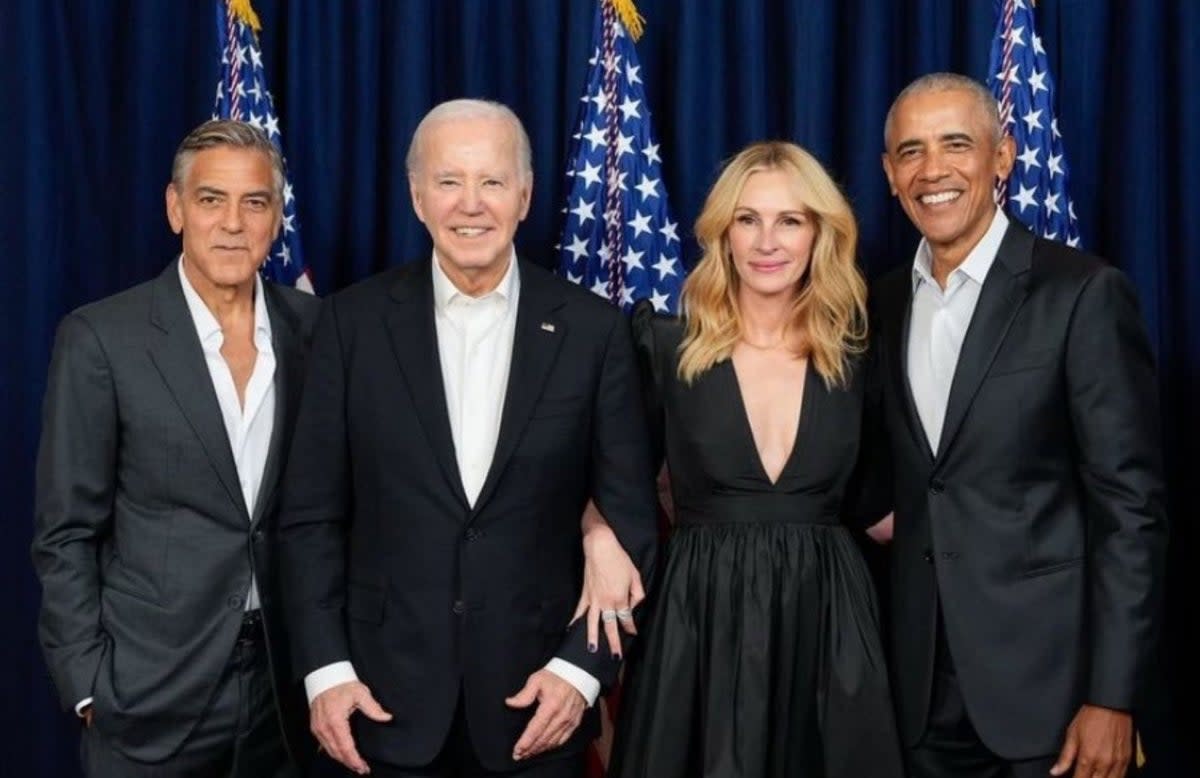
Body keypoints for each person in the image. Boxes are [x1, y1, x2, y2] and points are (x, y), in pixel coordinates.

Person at [275, 99, 659, 778]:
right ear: (418, 197)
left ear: (525, 194)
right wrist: (325, 672)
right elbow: (310, 517)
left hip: (537, 708)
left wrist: (580, 671)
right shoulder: (349, 325)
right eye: (449, 181)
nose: (471, 205)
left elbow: (629, 518)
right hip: (374, 708)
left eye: (492, 181)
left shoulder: (595, 333)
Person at [871, 72, 1168, 778]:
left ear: (1001, 157)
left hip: (1052, 699)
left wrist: (1112, 697)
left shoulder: (1083, 294)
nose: (932, 171)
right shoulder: (877, 303)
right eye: (910, 152)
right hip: (914, 694)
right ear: (888, 174)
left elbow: (1131, 512)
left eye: (955, 145)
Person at [595, 140, 904, 778]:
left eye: (790, 220)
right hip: (695, 622)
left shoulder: (860, 357)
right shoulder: (663, 346)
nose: (768, 241)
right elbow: (605, 478)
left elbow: (884, 509)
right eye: (748, 219)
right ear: (723, 234)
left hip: (828, 623)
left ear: (820, 233)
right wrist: (597, 537)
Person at [32, 120, 319, 776]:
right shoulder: (103, 339)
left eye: (254, 202)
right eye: (211, 199)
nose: (232, 223)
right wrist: (89, 686)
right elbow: (64, 532)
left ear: (276, 216)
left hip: (285, 691)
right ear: (175, 208)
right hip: (148, 692)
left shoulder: (317, 331)